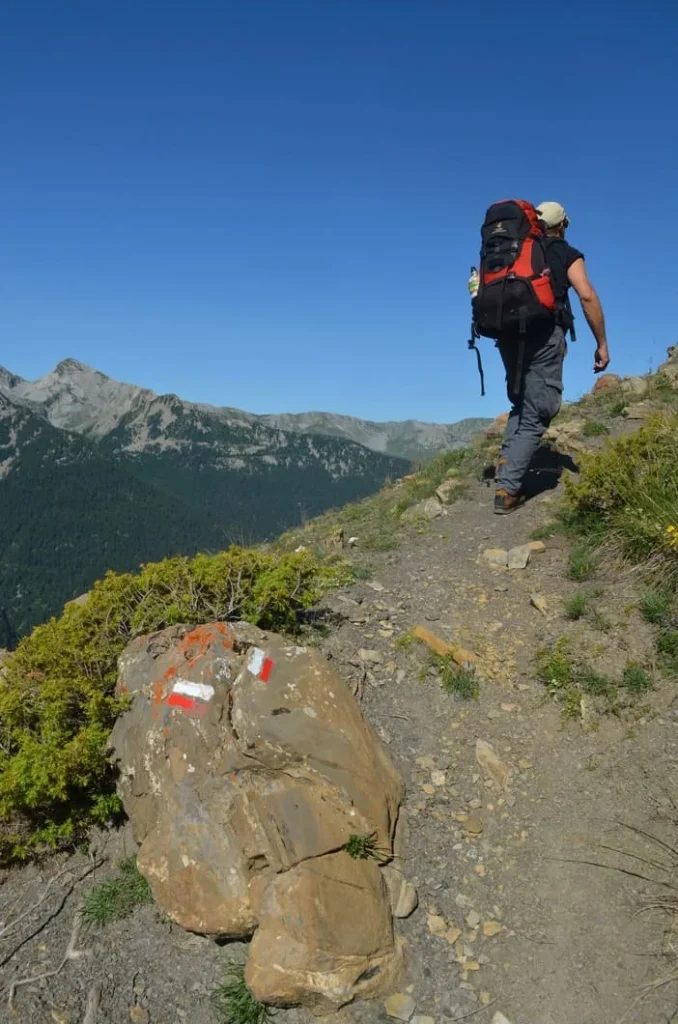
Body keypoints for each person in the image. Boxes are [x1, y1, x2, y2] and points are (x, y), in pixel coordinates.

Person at [493, 201, 610, 514]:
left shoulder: (515, 249)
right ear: (562, 225)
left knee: (520, 400)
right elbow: (586, 295)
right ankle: (507, 490)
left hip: (507, 334)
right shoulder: (565, 252)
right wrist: (601, 343)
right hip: (544, 333)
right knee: (540, 409)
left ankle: (507, 461)